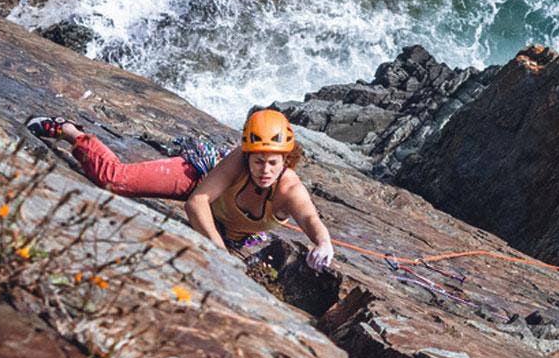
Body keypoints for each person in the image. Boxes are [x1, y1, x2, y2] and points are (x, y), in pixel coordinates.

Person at [25, 109, 336, 270]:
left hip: (230, 228)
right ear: (247, 155)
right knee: (115, 179)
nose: (265, 171)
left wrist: (323, 245)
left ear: (285, 159)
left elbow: (310, 220)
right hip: (200, 177)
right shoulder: (236, 162)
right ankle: (69, 131)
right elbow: (197, 202)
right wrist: (219, 250)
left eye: (273, 163)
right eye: (258, 162)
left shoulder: (289, 188)